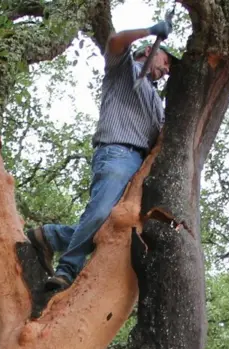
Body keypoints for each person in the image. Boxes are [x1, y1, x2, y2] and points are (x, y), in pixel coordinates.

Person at [27, 16, 175, 293]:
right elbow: (115, 42)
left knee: (116, 229)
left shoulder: (157, 101)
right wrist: (151, 30)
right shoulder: (126, 71)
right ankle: (67, 268)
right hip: (118, 153)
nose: (167, 70)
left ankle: (49, 236)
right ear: (148, 51)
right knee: (100, 213)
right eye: (165, 62)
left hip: (139, 170)